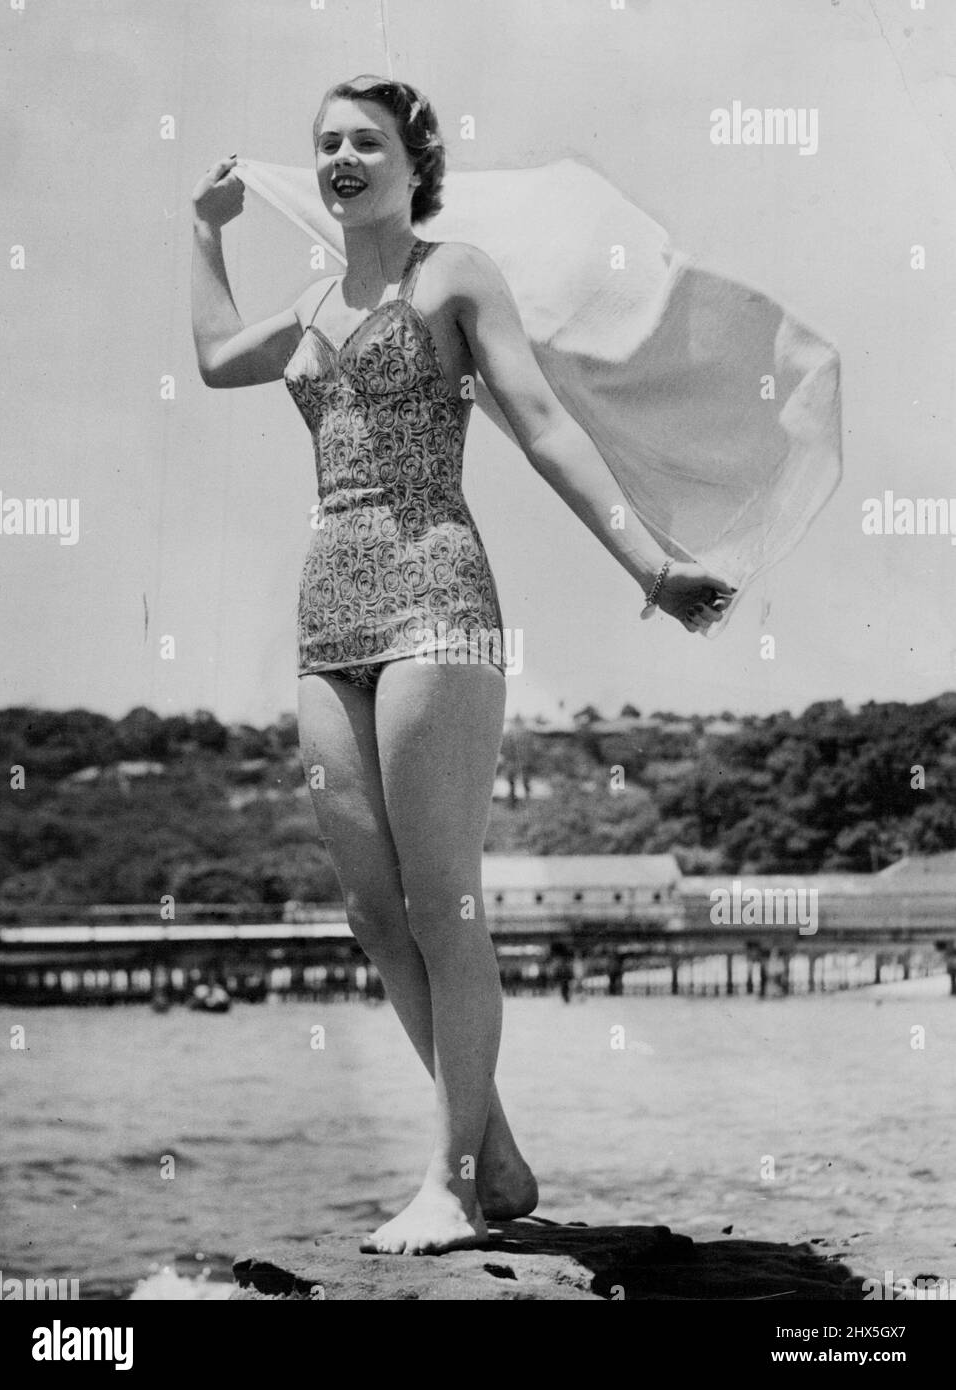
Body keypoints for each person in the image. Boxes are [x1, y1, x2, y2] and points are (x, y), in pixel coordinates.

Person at [190, 74, 733, 1256]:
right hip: (326, 609)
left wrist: (646, 565)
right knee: (373, 911)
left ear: (410, 160)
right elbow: (214, 360)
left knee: (445, 901)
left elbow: (539, 420)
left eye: (364, 141)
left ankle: (443, 1179)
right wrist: (203, 229)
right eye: (325, 143)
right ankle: (495, 1153)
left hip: (439, 592)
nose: (341, 158)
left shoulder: (455, 274)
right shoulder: (315, 294)